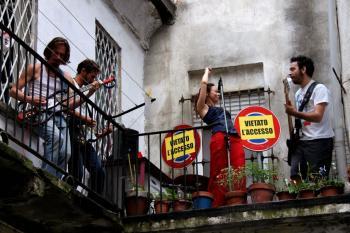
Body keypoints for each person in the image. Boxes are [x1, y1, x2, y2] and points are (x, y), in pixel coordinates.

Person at [10, 37, 72, 178]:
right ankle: (46, 178)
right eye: (56, 53)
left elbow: (69, 105)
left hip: (58, 115)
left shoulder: (65, 78)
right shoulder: (36, 69)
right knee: (56, 138)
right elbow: (13, 91)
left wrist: (91, 91)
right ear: (49, 51)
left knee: (67, 152)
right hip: (38, 111)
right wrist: (31, 99)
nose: (58, 57)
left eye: (62, 55)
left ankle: (56, 181)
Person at [195, 67, 246, 207]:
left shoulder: (219, 108)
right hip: (219, 136)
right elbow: (203, 85)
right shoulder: (203, 108)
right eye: (215, 91)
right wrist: (206, 72)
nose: (218, 93)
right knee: (219, 170)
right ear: (207, 94)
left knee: (239, 168)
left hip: (234, 137)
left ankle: (238, 199)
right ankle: (218, 203)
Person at [285, 55, 334, 181]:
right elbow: (300, 118)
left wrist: (295, 113)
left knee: (317, 179)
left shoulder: (319, 89)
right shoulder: (298, 93)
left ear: (303, 69)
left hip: (319, 141)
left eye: (293, 69)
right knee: (295, 175)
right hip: (302, 141)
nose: (290, 73)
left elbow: (318, 116)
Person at [68, 59, 107, 195]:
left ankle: (94, 203)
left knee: (99, 171)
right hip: (71, 129)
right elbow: (66, 107)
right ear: (83, 71)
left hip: (83, 135)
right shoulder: (70, 83)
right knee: (76, 172)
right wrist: (85, 119)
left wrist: (101, 133)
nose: (93, 80)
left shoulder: (84, 89)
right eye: (92, 76)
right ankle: (69, 195)